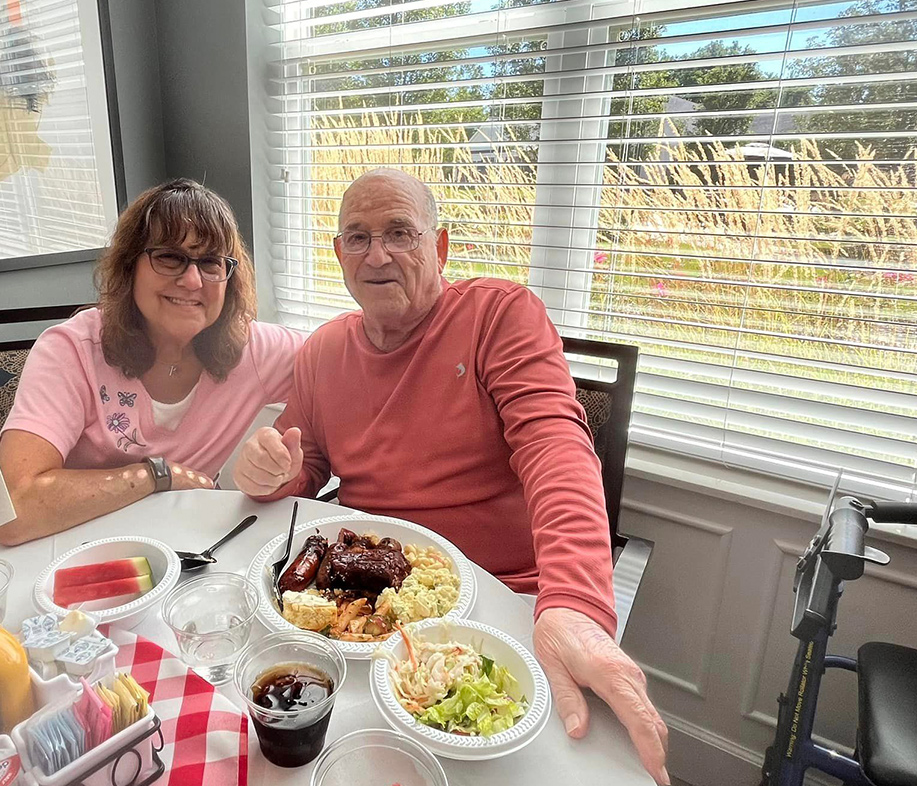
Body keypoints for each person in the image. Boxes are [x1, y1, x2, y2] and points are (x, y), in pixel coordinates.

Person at [231, 169, 669, 784]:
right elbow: (304, 467)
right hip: (357, 615)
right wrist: (270, 469)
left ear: (439, 247)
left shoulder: (499, 315)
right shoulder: (323, 350)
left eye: (399, 233)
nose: (377, 254)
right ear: (338, 255)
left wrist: (574, 602)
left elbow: (557, 448)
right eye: (356, 237)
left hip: (503, 601)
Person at [0, 178, 305, 546]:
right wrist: (156, 476)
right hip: (73, 557)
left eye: (210, 262)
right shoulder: (70, 351)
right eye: (170, 257)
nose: (192, 280)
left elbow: (347, 355)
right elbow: (12, 509)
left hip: (194, 550)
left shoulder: (253, 350)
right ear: (129, 267)